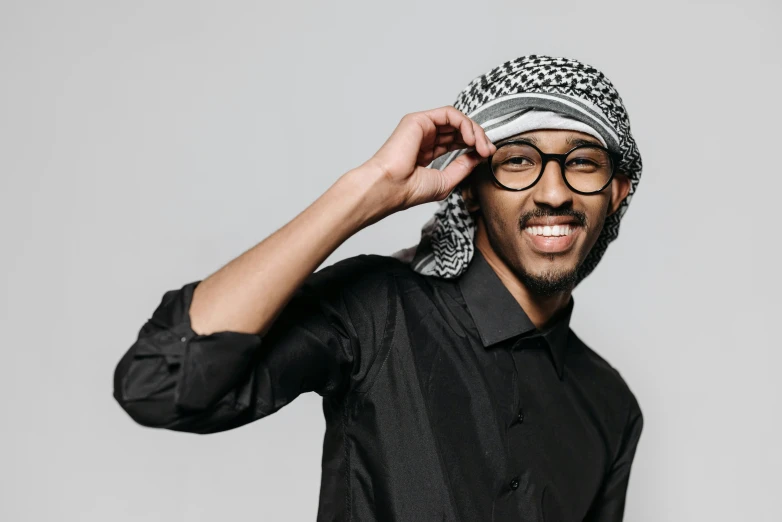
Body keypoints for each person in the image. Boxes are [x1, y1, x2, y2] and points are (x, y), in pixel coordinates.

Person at [113, 54, 644, 521]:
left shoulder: (610, 404)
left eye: (581, 163)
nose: (553, 192)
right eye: (518, 161)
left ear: (616, 192)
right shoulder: (380, 312)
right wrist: (367, 190)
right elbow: (157, 385)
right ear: (472, 189)